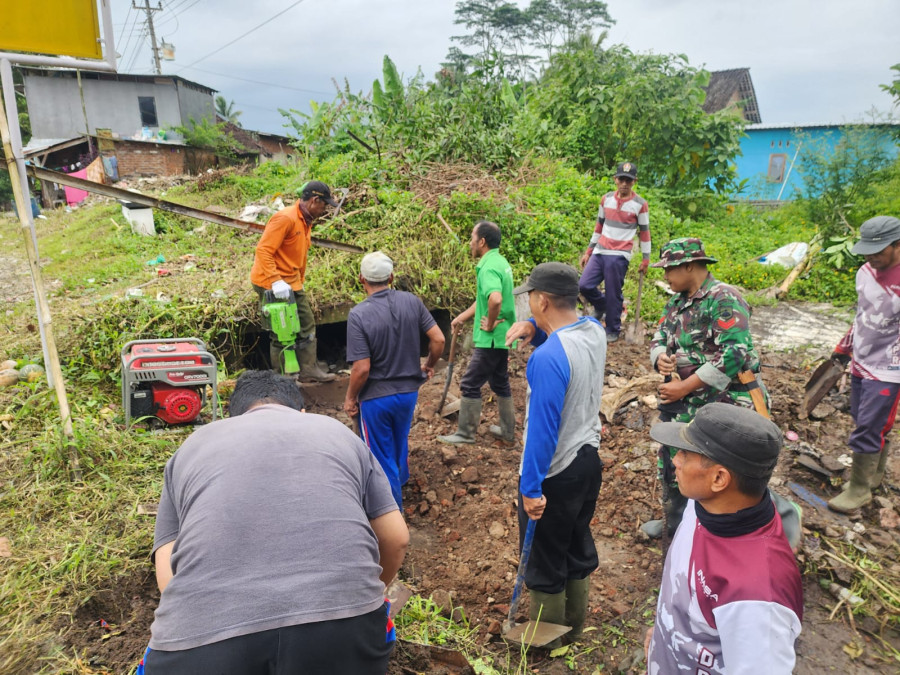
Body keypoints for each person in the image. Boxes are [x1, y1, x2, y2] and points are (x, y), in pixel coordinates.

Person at [145, 370, 409, 674]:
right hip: (344, 634)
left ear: (232, 417)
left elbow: (167, 577)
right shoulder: (337, 433)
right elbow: (396, 537)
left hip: (201, 647)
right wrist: (366, 597)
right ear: (303, 412)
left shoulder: (191, 448)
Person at [645, 403, 803, 675]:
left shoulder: (758, 597)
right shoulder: (705, 504)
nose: (675, 460)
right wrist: (666, 634)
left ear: (719, 478)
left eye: (685, 453)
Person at [505, 262, 606, 645]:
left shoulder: (546, 360)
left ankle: (549, 642)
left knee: (544, 559)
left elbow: (541, 432)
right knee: (576, 542)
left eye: (531, 299)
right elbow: (566, 333)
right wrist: (535, 328)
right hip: (587, 459)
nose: (528, 304)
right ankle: (575, 627)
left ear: (542, 300)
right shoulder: (594, 331)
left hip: (555, 471)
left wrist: (531, 488)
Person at [642, 237, 769, 540]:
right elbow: (659, 336)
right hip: (685, 401)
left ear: (688, 266)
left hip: (725, 401)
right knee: (675, 462)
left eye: (669, 270)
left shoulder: (723, 298)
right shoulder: (675, 303)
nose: (665, 277)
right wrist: (660, 357)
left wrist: (685, 386)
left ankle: (712, 533)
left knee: (716, 468)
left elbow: (735, 354)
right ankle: (676, 523)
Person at [344, 251, 446, 508]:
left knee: (379, 455)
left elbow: (362, 368)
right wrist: (429, 365)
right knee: (400, 438)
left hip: (376, 398)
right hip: (408, 393)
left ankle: (392, 511)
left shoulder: (358, 315)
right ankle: (401, 481)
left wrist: (350, 397)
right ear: (391, 277)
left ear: (361, 279)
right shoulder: (411, 302)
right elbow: (439, 339)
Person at [828, 215, 900, 512]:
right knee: (862, 417)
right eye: (868, 250)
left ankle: (859, 489)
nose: (871, 256)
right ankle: (873, 475)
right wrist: (845, 347)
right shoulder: (865, 272)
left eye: (879, 250)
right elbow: (863, 314)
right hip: (862, 359)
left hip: (890, 368)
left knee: (869, 424)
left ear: (898, 245)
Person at [438, 220, 517, 445]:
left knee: (469, 383)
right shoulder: (499, 262)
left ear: (482, 241)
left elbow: (495, 299)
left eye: (472, 238)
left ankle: (465, 434)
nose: (470, 243)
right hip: (502, 336)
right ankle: (507, 431)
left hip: (491, 339)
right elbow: (484, 298)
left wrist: (490, 323)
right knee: (500, 382)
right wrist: (461, 317)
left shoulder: (487, 267)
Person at [250, 180, 338, 382]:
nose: (324, 210)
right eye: (324, 205)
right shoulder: (285, 219)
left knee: (306, 325)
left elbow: (299, 254)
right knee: (281, 330)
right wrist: (275, 281)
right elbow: (263, 250)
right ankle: (283, 378)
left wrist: (300, 280)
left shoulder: (306, 220)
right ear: (315, 200)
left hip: (291, 281)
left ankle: (308, 369)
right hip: (270, 282)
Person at [578, 161, 651, 343]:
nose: (625, 183)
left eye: (629, 180)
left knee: (613, 291)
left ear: (634, 181)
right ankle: (602, 305)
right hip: (601, 250)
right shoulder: (606, 199)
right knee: (584, 285)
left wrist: (646, 259)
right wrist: (589, 251)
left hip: (619, 254)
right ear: (615, 180)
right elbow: (599, 226)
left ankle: (612, 328)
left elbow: (645, 232)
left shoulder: (640, 204)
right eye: (622, 179)